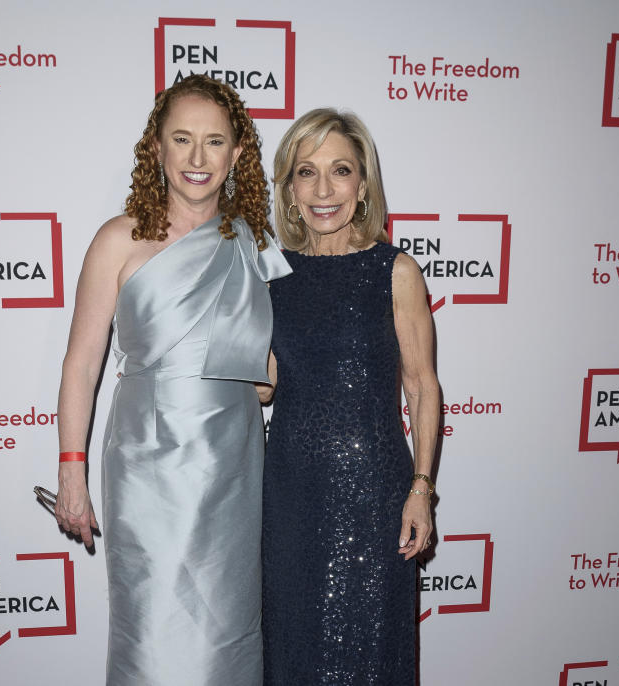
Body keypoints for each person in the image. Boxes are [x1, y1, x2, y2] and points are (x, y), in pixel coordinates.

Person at [54, 74, 290, 685]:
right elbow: (82, 363)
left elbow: (266, 370)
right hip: (148, 462)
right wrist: (71, 472)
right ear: (155, 148)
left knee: (229, 632)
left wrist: (265, 375)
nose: (196, 158)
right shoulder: (119, 239)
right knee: (154, 630)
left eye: (214, 142)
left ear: (237, 154)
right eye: (181, 139)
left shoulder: (256, 243)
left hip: (235, 461)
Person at [260, 108, 440, 684]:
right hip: (288, 497)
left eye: (340, 171)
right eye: (305, 173)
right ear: (289, 188)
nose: (323, 189)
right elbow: (265, 383)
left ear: (363, 185)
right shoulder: (270, 274)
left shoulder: (397, 271)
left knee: (369, 657)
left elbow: (421, 385)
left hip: (375, 498)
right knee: (293, 651)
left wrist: (421, 490)